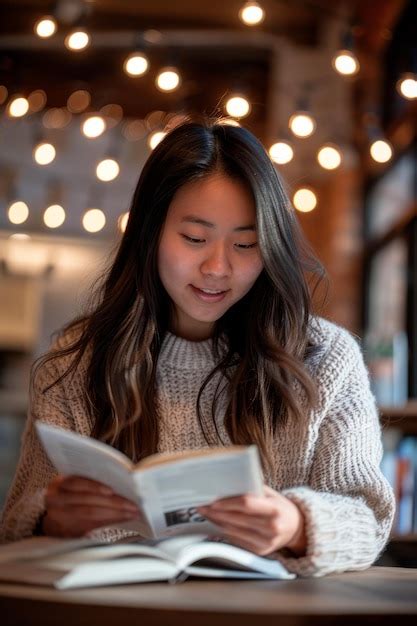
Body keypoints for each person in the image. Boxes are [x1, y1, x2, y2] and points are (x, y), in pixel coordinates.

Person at [0, 118, 395, 577]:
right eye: (194, 238)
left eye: (246, 243)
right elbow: (13, 526)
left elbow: (369, 518)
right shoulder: (75, 364)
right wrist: (52, 518)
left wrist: (296, 525)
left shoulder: (324, 359)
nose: (218, 267)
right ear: (150, 233)